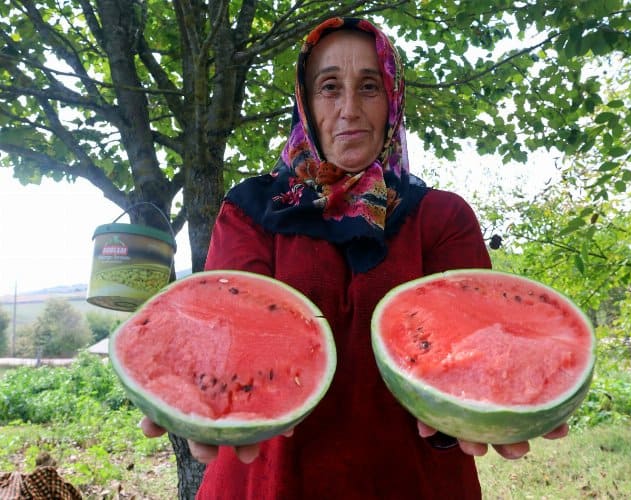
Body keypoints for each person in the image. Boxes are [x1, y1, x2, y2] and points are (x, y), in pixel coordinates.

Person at [141, 17, 568, 499]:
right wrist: (186, 380)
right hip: (267, 482)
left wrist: (509, 393)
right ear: (305, 101)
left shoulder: (441, 217)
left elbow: (473, 348)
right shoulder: (252, 212)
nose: (349, 108)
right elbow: (226, 333)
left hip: (411, 483)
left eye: (369, 86)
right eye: (329, 87)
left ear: (392, 100)